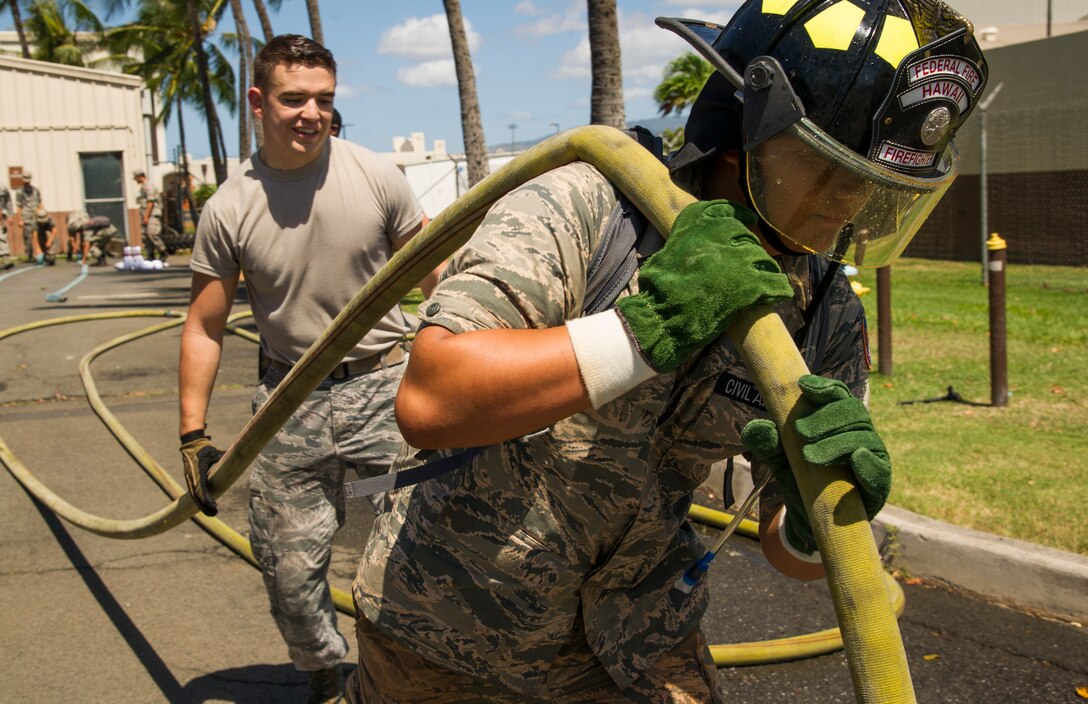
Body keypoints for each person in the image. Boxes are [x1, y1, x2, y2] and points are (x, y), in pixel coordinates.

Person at [350, 0, 988, 701]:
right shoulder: (588, 207)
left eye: (869, 183)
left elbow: (784, 545)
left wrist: (817, 520)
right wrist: (640, 331)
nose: (847, 202)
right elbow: (432, 397)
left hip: (634, 646)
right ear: (745, 129)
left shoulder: (824, 315)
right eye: (827, 168)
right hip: (449, 628)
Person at [178, 34, 441, 704]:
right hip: (288, 399)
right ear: (259, 102)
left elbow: (440, 276)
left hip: (386, 386)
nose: (311, 113)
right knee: (289, 576)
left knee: (429, 551)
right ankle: (327, 677)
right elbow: (205, 327)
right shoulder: (229, 207)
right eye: (295, 99)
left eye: (324, 99)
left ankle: (421, 679)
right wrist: (192, 435)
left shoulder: (376, 176)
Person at [133, 169, 168, 262]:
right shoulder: (142, 187)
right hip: (145, 214)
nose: (136, 180)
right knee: (145, 236)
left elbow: (150, 203)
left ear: (140, 176)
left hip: (152, 215)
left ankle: (163, 251)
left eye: (136, 178)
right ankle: (150, 255)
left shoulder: (148, 186)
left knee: (152, 233)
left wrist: (146, 216)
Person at [14, 171, 42, 262]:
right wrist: (20, 219)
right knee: (28, 236)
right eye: (25, 180)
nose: (27, 182)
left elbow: (40, 203)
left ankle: (40, 253)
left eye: (28, 180)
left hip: (36, 215)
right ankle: (30, 255)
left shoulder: (36, 190)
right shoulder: (19, 191)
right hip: (26, 216)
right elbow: (19, 206)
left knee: (38, 235)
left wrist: (42, 212)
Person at [0, 181, 12, 270]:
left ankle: (5, 258)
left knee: (2, 236)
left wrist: (10, 215)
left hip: (2, 215)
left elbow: (8, 201)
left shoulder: (3, 187)